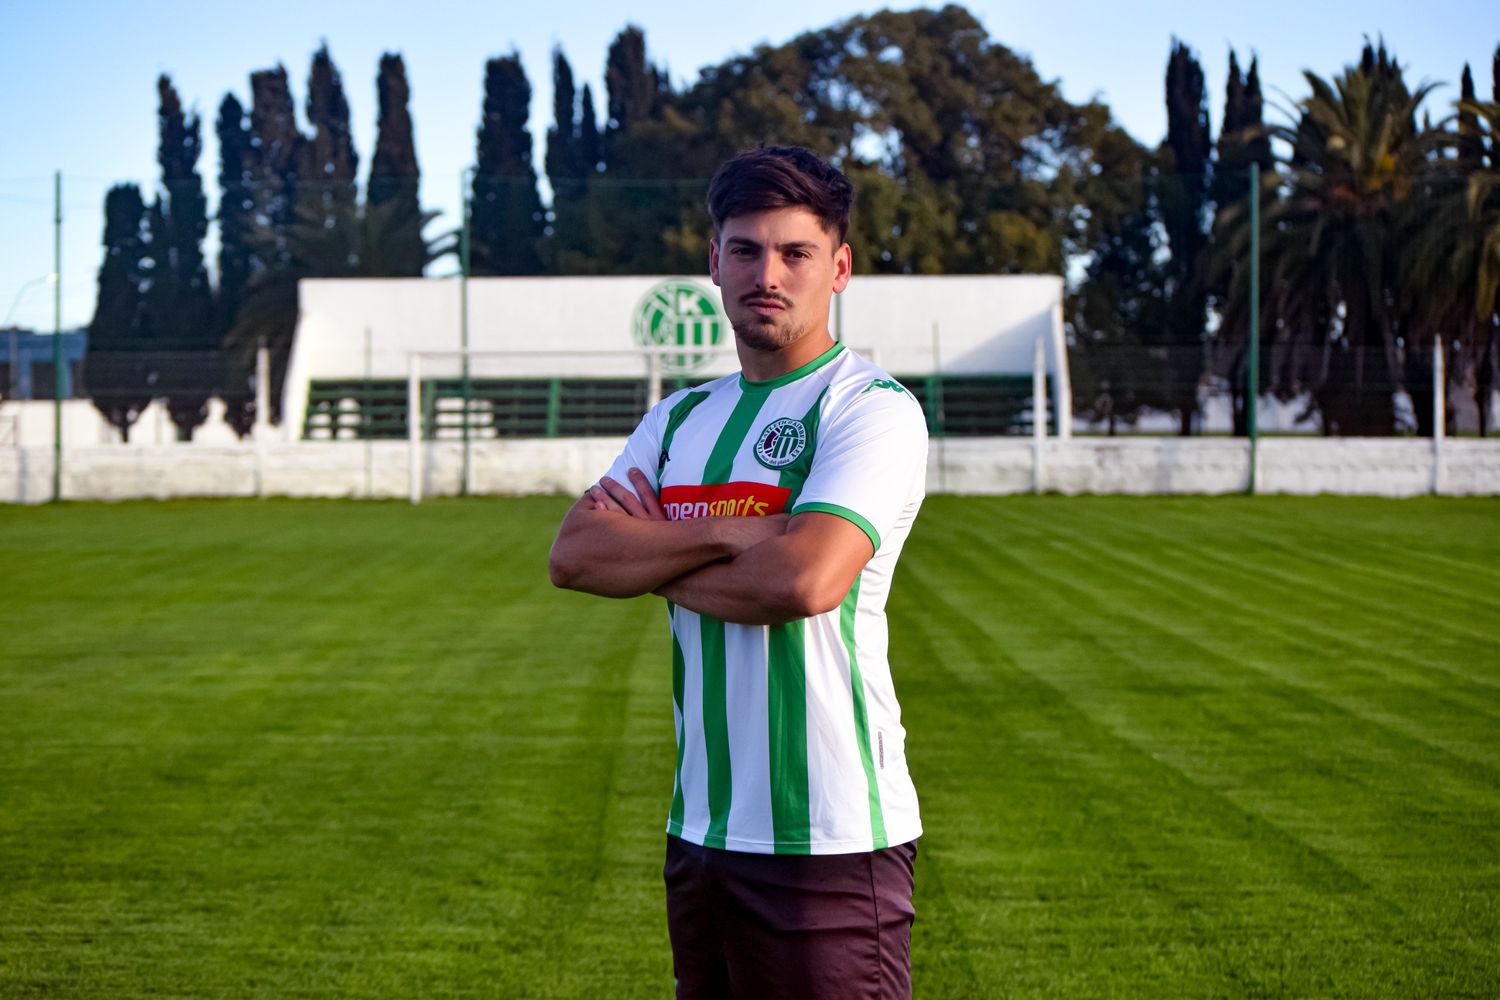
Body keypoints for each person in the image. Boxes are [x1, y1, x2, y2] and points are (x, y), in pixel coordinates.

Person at [548, 145, 928, 1000]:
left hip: (830, 838)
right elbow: (574, 555)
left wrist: (652, 552)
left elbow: (802, 583)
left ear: (839, 269)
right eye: (747, 250)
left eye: (796, 253)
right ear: (714, 263)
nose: (770, 273)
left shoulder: (870, 409)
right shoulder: (680, 418)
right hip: (703, 833)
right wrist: (738, 528)